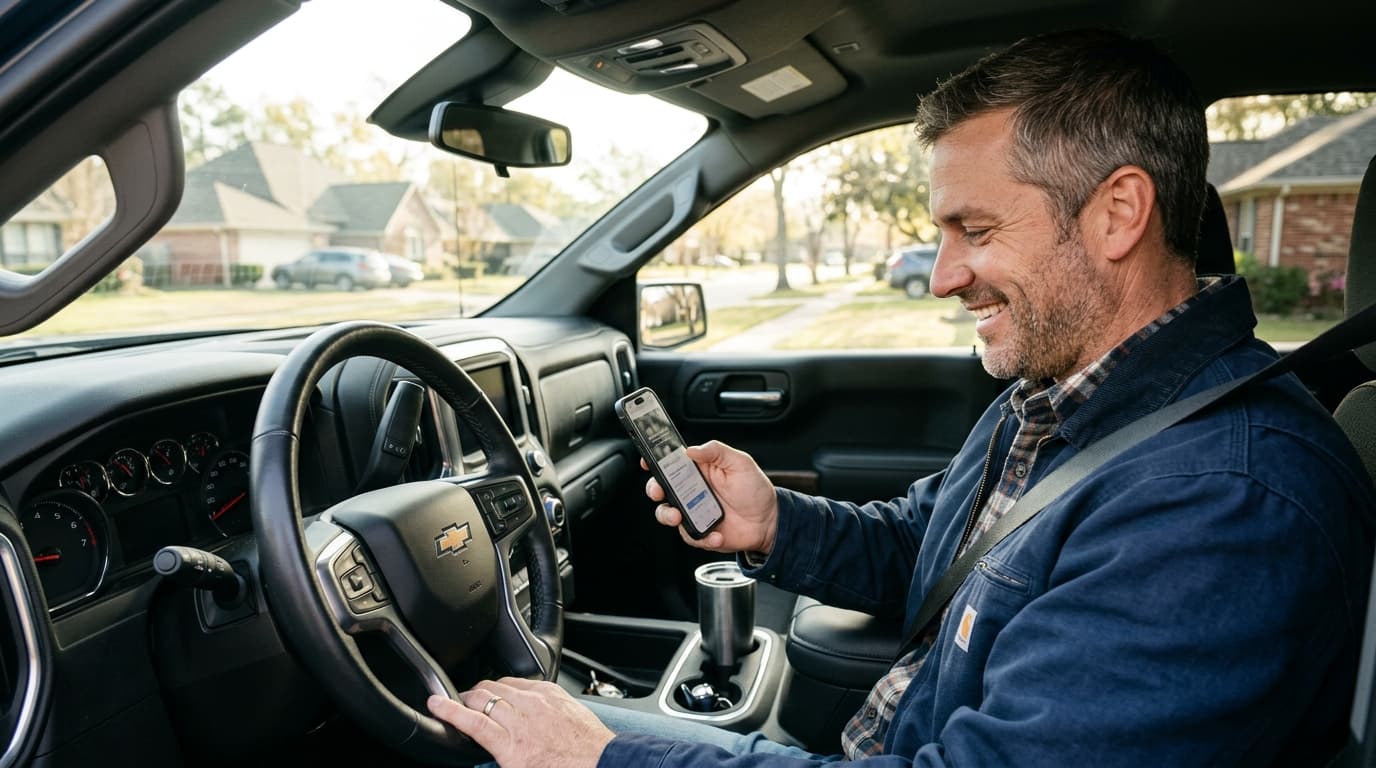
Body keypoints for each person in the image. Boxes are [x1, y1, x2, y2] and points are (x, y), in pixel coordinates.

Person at [426, 28, 1376, 767]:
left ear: (1118, 213)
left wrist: (609, 759)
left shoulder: (1226, 502)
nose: (942, 274)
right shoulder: (1069, 396)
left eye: (976, 228)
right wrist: (773, 525)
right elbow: (937, 547)